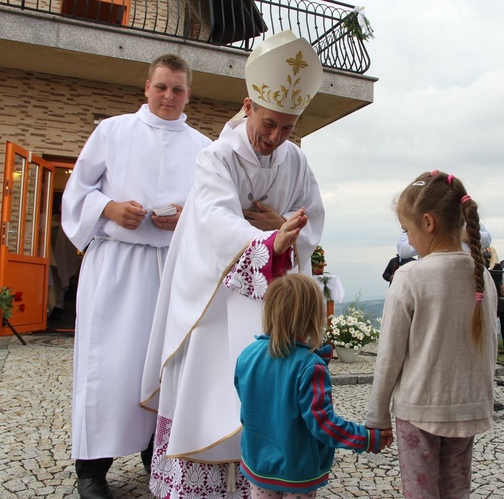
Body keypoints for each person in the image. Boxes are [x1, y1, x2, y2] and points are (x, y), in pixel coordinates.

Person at [140, 31, 325, 498]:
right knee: (212, 390)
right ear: (248, 105)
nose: (276, 137)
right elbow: (214, 220)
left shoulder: (296, 161)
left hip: (270, 303)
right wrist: (269, 239)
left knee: (264, 394)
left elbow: (313, 218)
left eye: (288, 127)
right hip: (215, 298)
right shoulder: (216, 157)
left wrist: (285, 228)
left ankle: (259, 483)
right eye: (269, 124)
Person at [61, 54, 211, 499]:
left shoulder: (203, 147)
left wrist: (185, 218)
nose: (168, 97)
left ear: (188, 94)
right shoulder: (113, 131)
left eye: (178, 89)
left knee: (163, 363)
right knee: (106, 364)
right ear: (146, 87)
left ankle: (156, 456)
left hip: (170, 268)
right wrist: (109, 208)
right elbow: (77, 192)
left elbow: (212, 208)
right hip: (116, 265)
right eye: (162, 87)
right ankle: (91, 467)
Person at [366, 170, 498, 498]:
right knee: (456, 491)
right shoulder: (483, 277)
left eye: (406, 230)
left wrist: (377, 416)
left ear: (428, 223)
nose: (408, 240)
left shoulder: (410, 276)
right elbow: (489, 346)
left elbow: (390, 355)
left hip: (419, 408)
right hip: (467, 406)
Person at [235, 274, 391, 497]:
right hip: (297, 470)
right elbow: (324, 424)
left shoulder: (247, 355)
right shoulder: (311, 367)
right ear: (312, 317)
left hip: (258, 464)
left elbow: (247, 408)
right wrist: (366, 439)